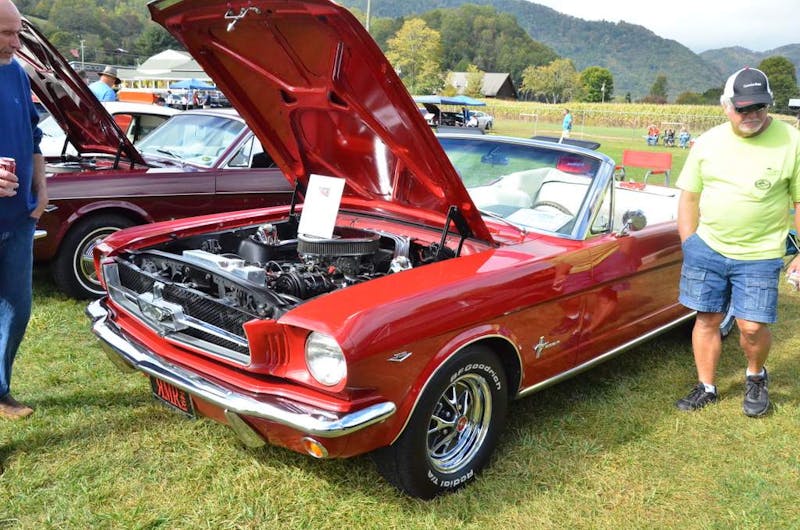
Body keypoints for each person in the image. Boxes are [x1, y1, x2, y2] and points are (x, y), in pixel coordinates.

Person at [674, 67, 800, 417]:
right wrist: (690, 243)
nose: (752, 115)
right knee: (707, 317)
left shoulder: (792, 141)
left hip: (760, 253)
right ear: (726, 106)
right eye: (743, 108)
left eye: (759, 107)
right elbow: (688, 197)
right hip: (708, 248)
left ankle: (756, 376)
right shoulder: (709, 142)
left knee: (752, 325)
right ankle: (707, 386)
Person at [0, 0, 47, 420]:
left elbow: (34, 136)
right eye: (6, 33)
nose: (16, 42)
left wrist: (42, 188)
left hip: (17, 220)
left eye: (18, 32)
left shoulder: (15, 72)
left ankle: (0, 391)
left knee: (17, 307)